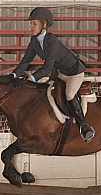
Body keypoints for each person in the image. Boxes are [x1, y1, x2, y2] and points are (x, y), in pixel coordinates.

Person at [11, 7, 96, 143]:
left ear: (43, 25)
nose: (31, 27)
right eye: (31, 24)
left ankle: (84, 126)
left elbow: (47, 69)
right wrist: (13, 75)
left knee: (69, 95)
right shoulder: (34, 41)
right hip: (60, 73)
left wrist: (31, 78)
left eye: (34, 24)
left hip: (74, 73)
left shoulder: (52, 41)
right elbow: (26, 61)